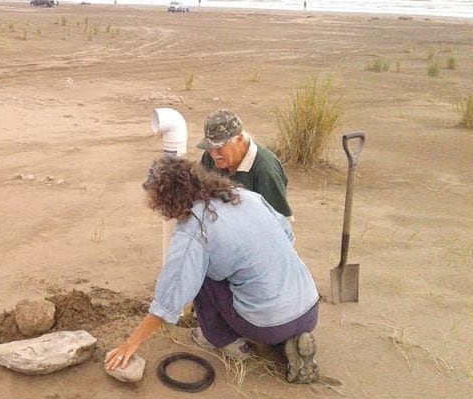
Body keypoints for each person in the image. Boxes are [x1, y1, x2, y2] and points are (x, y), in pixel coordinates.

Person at [105, 156, 320, 383]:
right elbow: (287, 235)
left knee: (200, 272)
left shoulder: (195, 229)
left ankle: (226, 340)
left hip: (265, 325)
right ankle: (288, 341)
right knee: (247, 268)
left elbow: (172, 294)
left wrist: (131, 343)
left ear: (166, 200)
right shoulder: (246, 196)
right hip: (309, 309)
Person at [197, 110, 294, 221]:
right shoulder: (209, 158)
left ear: (239, 139)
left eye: (219, 147)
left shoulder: (266, 169)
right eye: (209, 147)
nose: (214, 154)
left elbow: (280, 222)